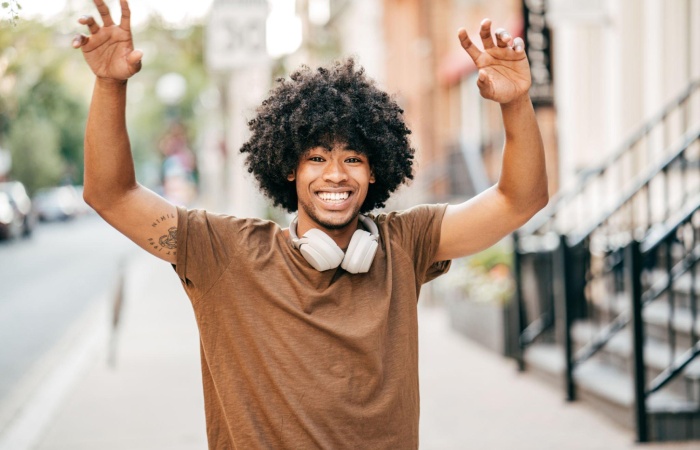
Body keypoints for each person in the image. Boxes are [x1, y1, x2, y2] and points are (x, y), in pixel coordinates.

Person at [72, 0, 548, 448]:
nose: (336, 174)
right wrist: (110, 86)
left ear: (376, 169)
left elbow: (518, 200)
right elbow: (112, 195)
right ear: (288, 167)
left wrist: (516, 103)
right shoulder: (225, 253)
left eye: (353, 158)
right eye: (316, 157)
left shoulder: (405, 244)